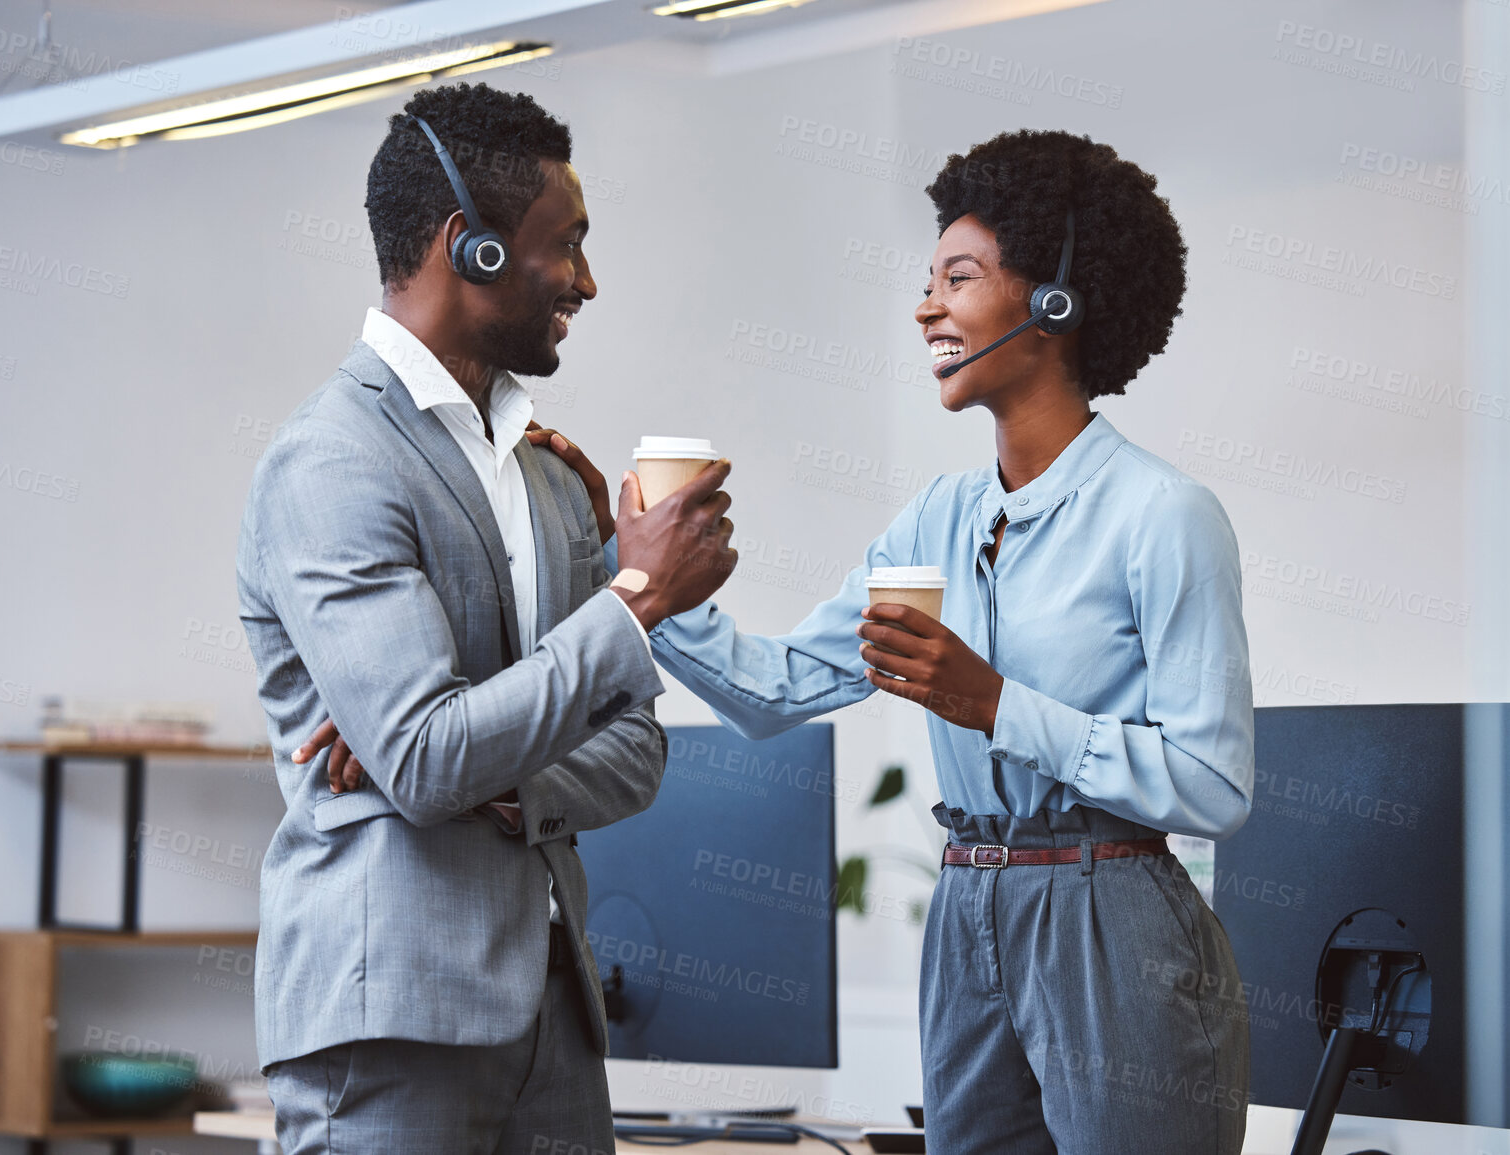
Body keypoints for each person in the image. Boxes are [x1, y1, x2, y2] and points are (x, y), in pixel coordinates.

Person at [534, 128, 1255, 1152]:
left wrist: (998, 705)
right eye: (929, 281)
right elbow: (775, 691)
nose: (927, 306)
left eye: (958, 278)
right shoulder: (938, 523)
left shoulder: (1162, 515)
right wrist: (629, 559)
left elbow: (1213, 786)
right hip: (968, 904)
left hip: (1114, 912)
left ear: (1055, 303)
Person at [237, 82, 736, 1155]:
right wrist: (636, 596)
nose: (588, 282)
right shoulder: (334, 462)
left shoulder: (552, 482)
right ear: (474, 250)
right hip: (392, 1022)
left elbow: (635, 752)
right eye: (569, 245)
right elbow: (422, 756)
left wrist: (495, 777)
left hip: (555, 1019)